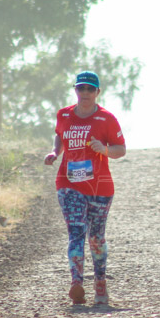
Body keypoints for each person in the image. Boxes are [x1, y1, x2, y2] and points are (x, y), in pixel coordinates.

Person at [44, 71, 126, 305]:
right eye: (81, 88)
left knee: (96, 238)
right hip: (68, 183)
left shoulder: (106, 119)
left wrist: (105, 150)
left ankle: (100, 282)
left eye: (90, 89)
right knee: (76, 231)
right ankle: (76, 283)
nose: (85, 93)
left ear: (98, 92)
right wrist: (54, 152)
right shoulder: (64, 115)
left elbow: (121, 149)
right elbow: (60, 136)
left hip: (100, 185)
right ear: (76, 90)